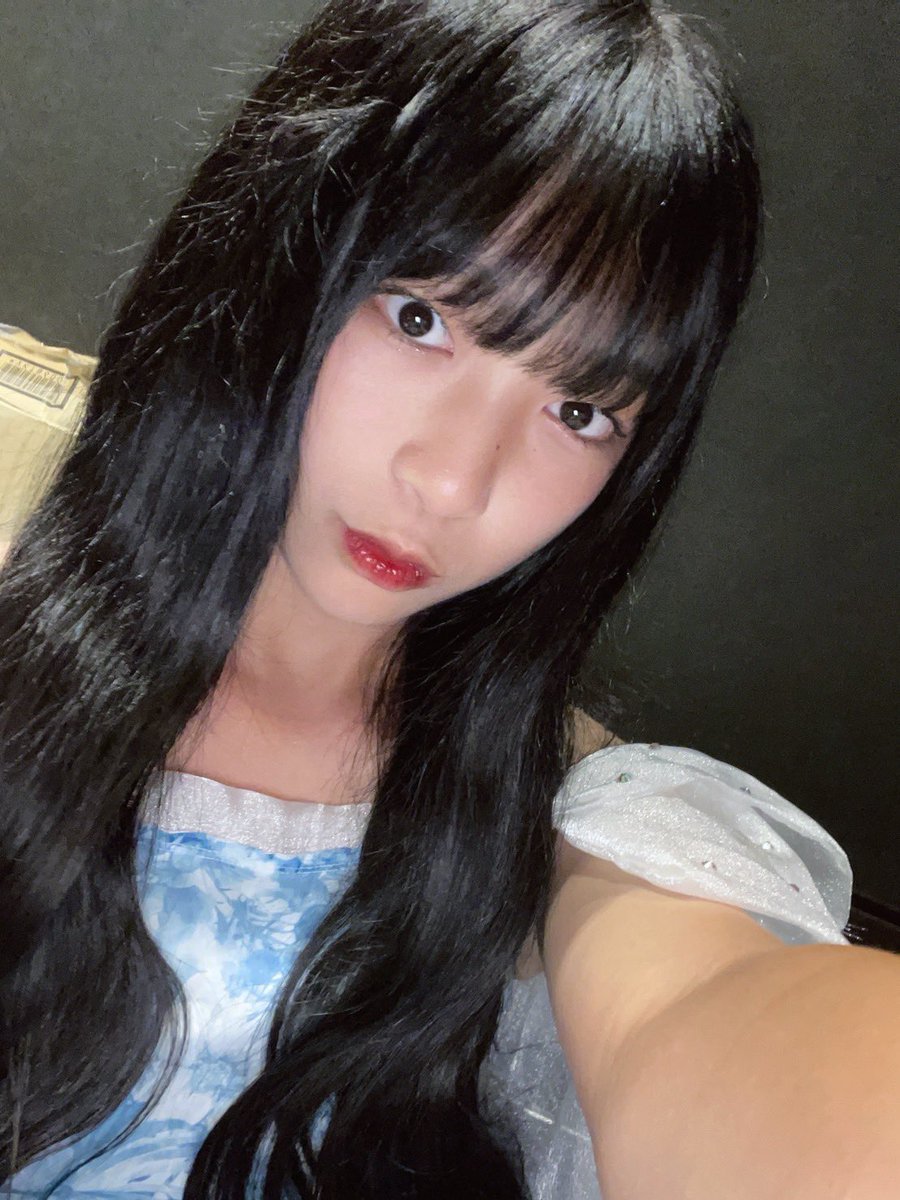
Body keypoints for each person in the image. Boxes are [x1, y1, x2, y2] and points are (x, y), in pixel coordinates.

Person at [2, 1, 893, 1197]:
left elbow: (705, 1010)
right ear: (280, 251)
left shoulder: (550, 808)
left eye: (580, 410)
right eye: (421, 318)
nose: (455, 481)